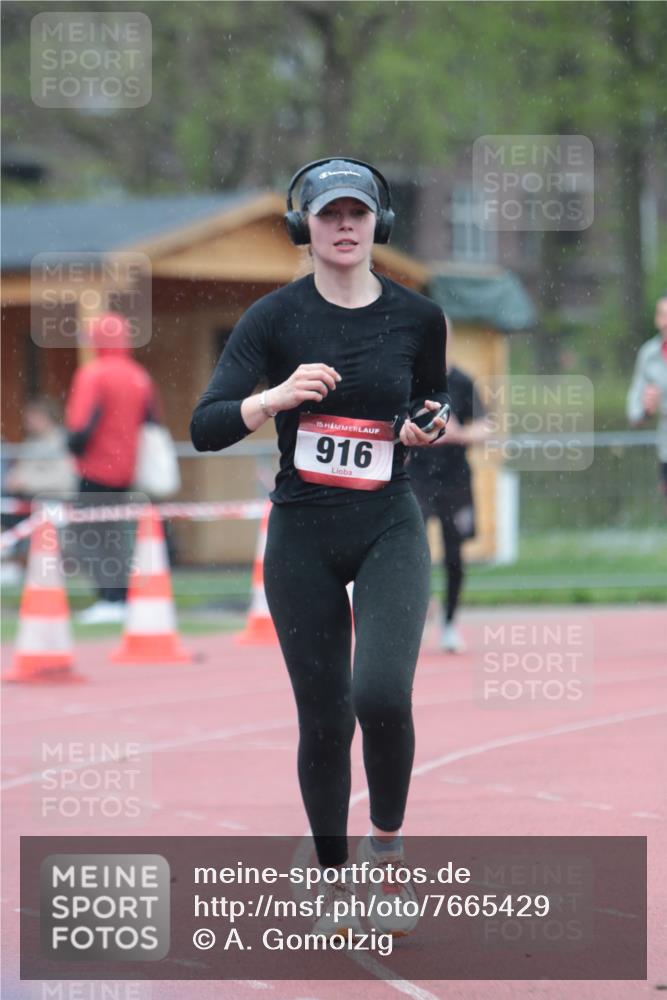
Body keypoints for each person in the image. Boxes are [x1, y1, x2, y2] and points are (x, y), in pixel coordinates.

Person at [190, 157, 450, 939]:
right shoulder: (272, 319)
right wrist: (270, 398)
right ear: (302, 229)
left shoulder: (417, 317)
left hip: (388, 526)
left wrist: (424, 424)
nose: (344, 226)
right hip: (300, 535)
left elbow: (427, 400)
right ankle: (334, 877)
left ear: (379, 226)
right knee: (325, 717)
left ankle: (388, 855)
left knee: (379, 694)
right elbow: (205, 427)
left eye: (358, 214)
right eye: (329, 214)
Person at [65, 312, 156, 624]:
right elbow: (152, 421)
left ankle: (109, 598)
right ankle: (122, 597)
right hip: (126, 471)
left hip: (95, 470)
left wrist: (72, 447)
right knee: (117, 535)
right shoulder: (139, 375)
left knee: (90, 536)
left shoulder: (93, 374)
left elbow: (80, 429)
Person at [408, 357, 489, 652]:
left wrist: (459, 434)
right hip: (417, 479)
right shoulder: (411, 378)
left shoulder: (464, 382)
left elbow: (487, 428)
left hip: (455, 481)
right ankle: (416, 612)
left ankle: (450, 623)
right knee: (412, 549)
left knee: (454, 555)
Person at [1, 397, 77, 583]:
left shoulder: (60, 441)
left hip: (51, 502)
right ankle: (12, 563)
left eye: (33, 416)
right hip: (26, 501)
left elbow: (64, 480)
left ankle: (28, 565)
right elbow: (21, 472)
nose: (29, 421)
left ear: (46, 416)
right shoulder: (31, 441)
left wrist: (26, 482)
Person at [626, 293, 667, 511]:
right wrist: (647, 410)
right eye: (663, 315)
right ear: (657, 319)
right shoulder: (648, 355)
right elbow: (635, 411)